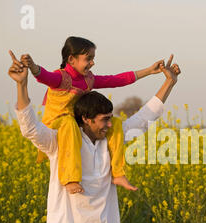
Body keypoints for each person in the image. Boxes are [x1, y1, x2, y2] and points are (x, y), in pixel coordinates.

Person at [8, 50, 181, 223]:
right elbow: (31, 128)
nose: (110, 125)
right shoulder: (59, 142)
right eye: (104, 120)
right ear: (86, 119)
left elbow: (145, 118)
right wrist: (22, 85)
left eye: (111, 120)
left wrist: (169, 82)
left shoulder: (111, 140)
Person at [15, 36, 165, 194]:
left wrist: (149, 71)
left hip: (74, 124)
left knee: (115, 123)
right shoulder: (60, 77)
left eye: (93, 59)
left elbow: (116, 80)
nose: (92, 63)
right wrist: (32, 66)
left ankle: (118, 173)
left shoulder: (89, 79)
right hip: (57, 124)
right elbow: (43, 75)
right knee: (69, 123)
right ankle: (70, 178)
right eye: (88, 59)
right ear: (71, 59)